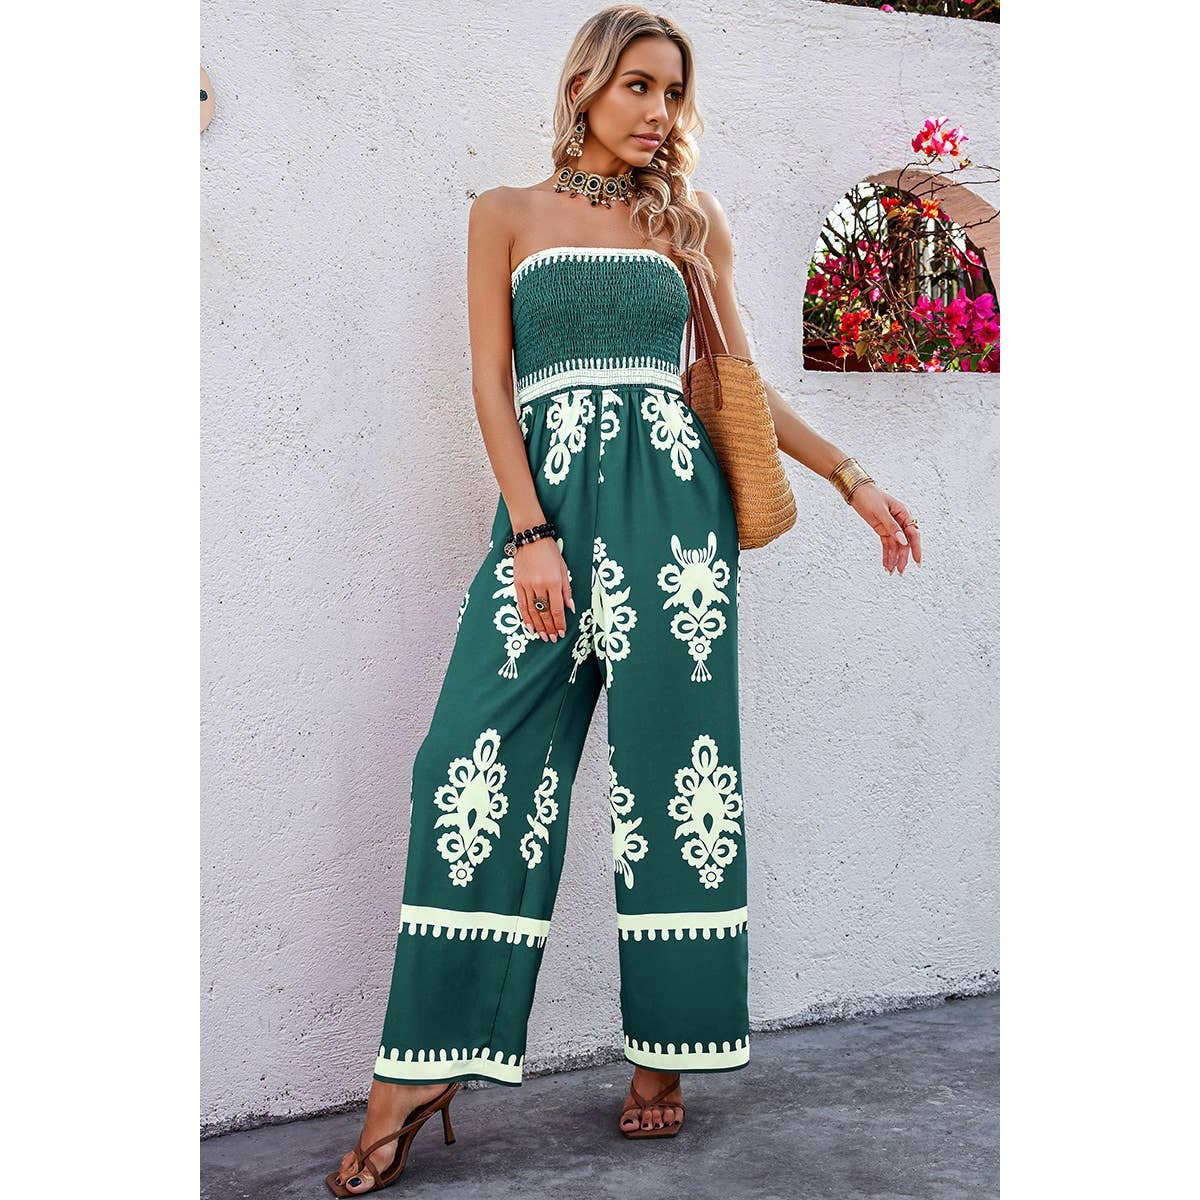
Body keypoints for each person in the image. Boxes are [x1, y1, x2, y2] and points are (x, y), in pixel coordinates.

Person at [328, 5, 921, 1194]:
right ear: (586, 86)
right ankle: (421, 1068)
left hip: (675, 529)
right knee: (467, 765)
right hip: (547, 524)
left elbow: (734, 386)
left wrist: (851, 476)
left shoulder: (690, 221)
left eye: (673, 92)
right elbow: (491, 385)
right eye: (639, 85)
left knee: (676, 778)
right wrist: (529, 533)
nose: (658, 111)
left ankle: (665, 1056)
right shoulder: (504, 214)